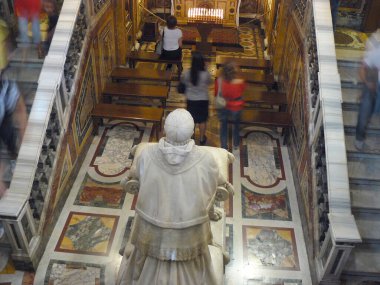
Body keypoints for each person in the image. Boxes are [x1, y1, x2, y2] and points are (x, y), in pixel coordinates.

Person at [117, 109, 221, 285]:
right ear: (193, 130)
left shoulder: (146, 155)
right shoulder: (206, 159)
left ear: (165, 128)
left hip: (152, 233)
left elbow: (135, 178)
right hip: (188, 235)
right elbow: (211, 188)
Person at [355, 28, 380, 150]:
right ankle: (359, 139)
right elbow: (362, 68)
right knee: (365, 112)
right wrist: (367, 85)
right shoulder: (375, 47)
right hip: (372, 80)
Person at [181, 52, 211, 145]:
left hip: (191, 100)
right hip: (203, 100)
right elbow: (209, 82)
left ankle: (191, 137)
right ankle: (202, 138)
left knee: (191, 119)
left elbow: (183, 82)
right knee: (202, 120)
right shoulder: (205, 74)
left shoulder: (187, 73)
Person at [215, 61, 246, 150]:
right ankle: (236, 143)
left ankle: (224, 146)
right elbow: (242, 91)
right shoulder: (240, 82)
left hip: (224, 106)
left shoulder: (219, 81)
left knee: (223, 126)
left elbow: (216, 93)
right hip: (237, 107)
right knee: (236, 126)